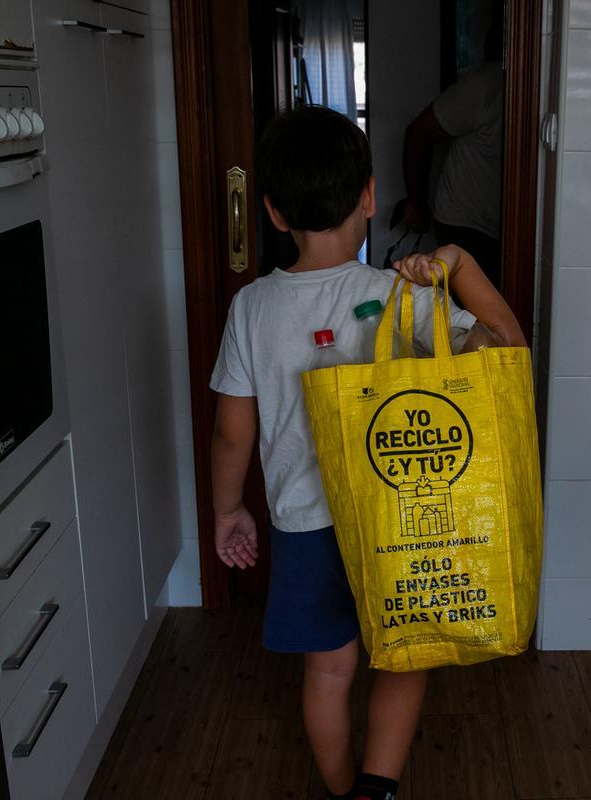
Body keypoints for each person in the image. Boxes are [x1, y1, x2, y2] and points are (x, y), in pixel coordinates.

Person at [208, 106, 525, 800]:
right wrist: (460, 261)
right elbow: (506, 349)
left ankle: (340, 787)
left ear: (272, 213)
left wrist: (229, 510)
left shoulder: (251, 308)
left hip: (303, 524)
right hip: (399, 525)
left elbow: (233, 431)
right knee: (404, 659)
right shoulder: (396, 296)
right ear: (371, 196)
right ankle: (377, 790)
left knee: (328, 672)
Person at [401, 20, 505, 287]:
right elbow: (417, 134)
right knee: (473, 317)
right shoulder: (482, 86)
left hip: (499, 226)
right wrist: (416, 203)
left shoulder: (528, 85)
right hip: (466, 224)